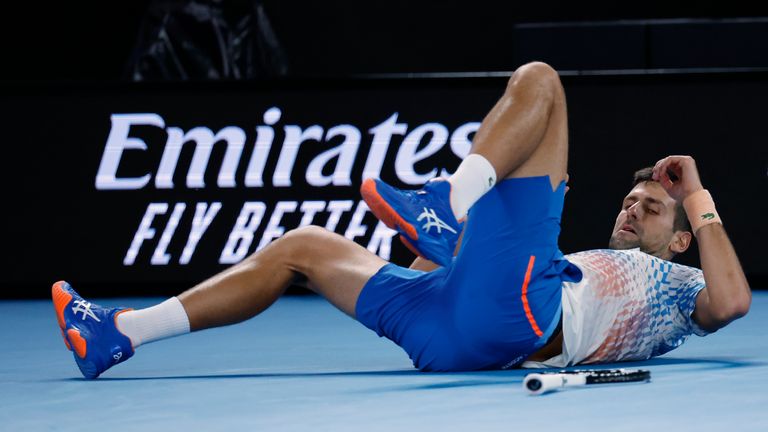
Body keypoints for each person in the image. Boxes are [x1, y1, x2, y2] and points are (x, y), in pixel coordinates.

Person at [52, 62, 751, 378]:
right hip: (453, 330)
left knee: (541, 83)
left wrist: (695, 191)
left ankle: (446, 203)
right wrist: (439, 261)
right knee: (303, 247)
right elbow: (457, 287)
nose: (633, 206)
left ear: (683, 237)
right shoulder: (585, 263)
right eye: (630, 199)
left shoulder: (676, 286)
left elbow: (733, 300)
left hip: (524, 324)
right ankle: (118, 333)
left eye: (651, 207)